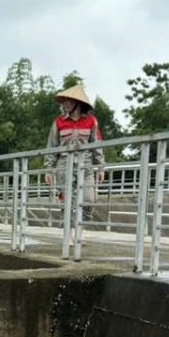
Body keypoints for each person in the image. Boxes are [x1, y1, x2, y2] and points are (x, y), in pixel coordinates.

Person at [43, 83, 105, 228]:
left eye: (69, 100)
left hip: (86, 165)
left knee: (89, 200)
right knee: (66, 201)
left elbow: (97, 145)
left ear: (78, 102)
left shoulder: (91, 121)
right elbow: (51, 147)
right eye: (64, 100)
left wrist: (101, 168)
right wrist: (48, 168)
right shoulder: (58, 122)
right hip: (64, 165)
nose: (65, 103)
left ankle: (79, 231)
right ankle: (69, 236)